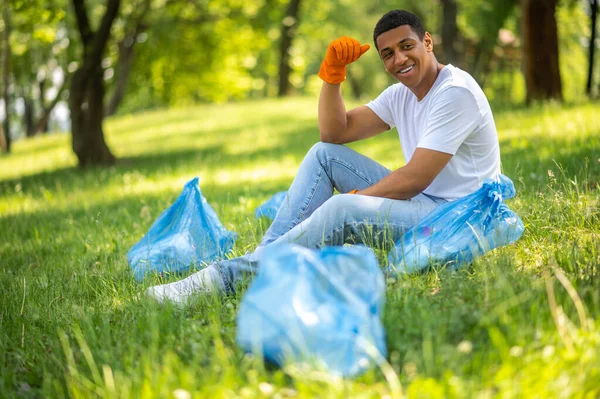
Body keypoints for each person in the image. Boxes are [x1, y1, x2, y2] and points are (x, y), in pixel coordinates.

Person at [145, 9, 501, 304]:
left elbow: (414, 179)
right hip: (427, 202)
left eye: (407, 46)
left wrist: (356, 199)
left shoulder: (454, 93)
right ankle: (262, 264)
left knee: (339, 209)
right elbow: (335, 134)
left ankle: (225, 279)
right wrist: (332, 76)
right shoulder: (402, 95)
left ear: (427, 41)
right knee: (323, 155)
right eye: (388, 54)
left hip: (459, 218)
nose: (399, 59)